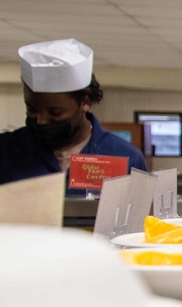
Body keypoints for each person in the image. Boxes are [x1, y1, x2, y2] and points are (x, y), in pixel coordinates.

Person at [0, 39, 147, 193]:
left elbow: (139, 215)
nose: (41, 121)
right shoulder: (6, 151)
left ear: (85, 103)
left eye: (55, 113)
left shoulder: (124, 157)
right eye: (32, 110)